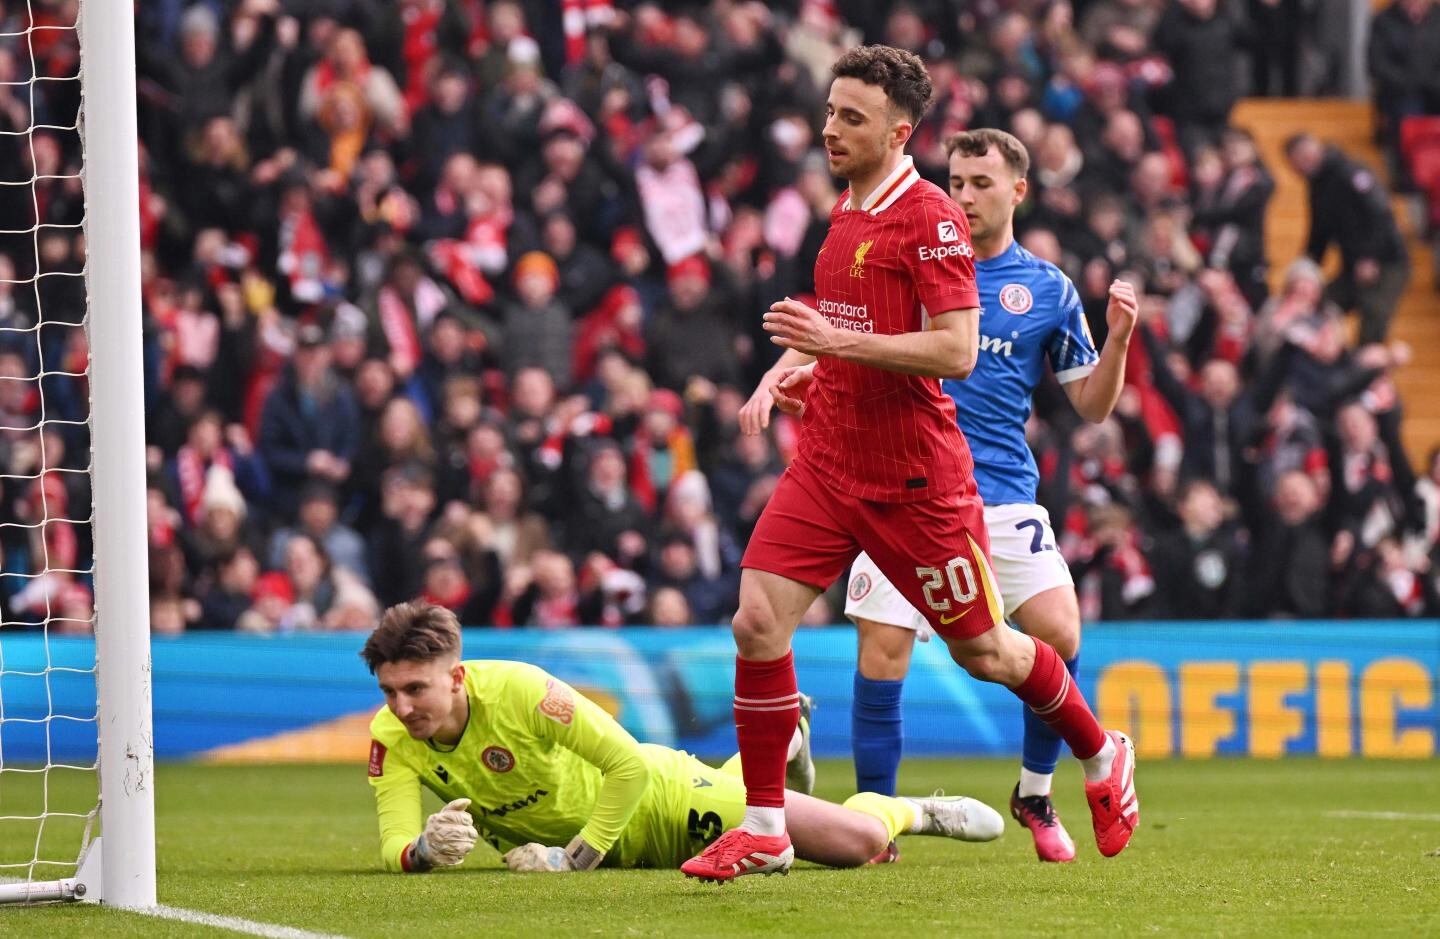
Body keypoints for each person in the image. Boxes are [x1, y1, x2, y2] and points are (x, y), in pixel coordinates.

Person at [699, 47, 1138, 883]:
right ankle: (765, 826)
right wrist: (805, 371)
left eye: (851, 118)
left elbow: (959, 348)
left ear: (898, 132)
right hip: (830, 462)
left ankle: (1099, 750)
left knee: (990, 653)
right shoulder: (847, 210)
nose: (831, 128)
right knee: (757, 619)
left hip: (913, 481)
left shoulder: (930, 217)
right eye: (830, 111)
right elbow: (845, 324)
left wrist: (835, 343)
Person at [363, 602, 1005, 875]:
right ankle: (780, 747)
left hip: (659, 802)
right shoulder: (390, 736)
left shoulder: (524, 691)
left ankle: (915, 810)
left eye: (415, 689)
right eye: (390, 692)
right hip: (608, 844)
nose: (401, 707)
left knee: (857, 843)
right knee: (755, 796)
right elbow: (394, 843)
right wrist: (423, 850)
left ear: (454, 676)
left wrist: (571, 859)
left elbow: (626, 767)